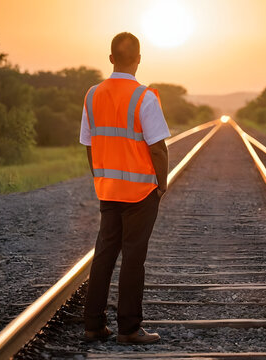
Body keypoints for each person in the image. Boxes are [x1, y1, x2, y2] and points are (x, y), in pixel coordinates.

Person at [79, 32, 170, 344]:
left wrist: (100, 177)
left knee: (104, 254)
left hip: (108, 189)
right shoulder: (144, 97)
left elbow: (89, 144)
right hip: (141, 192)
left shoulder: (92, 94)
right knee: (133, 257)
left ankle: (93, 325)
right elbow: (158, 148)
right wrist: (162, 183)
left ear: (110, 58)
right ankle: (129, 329)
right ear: (139, 59)